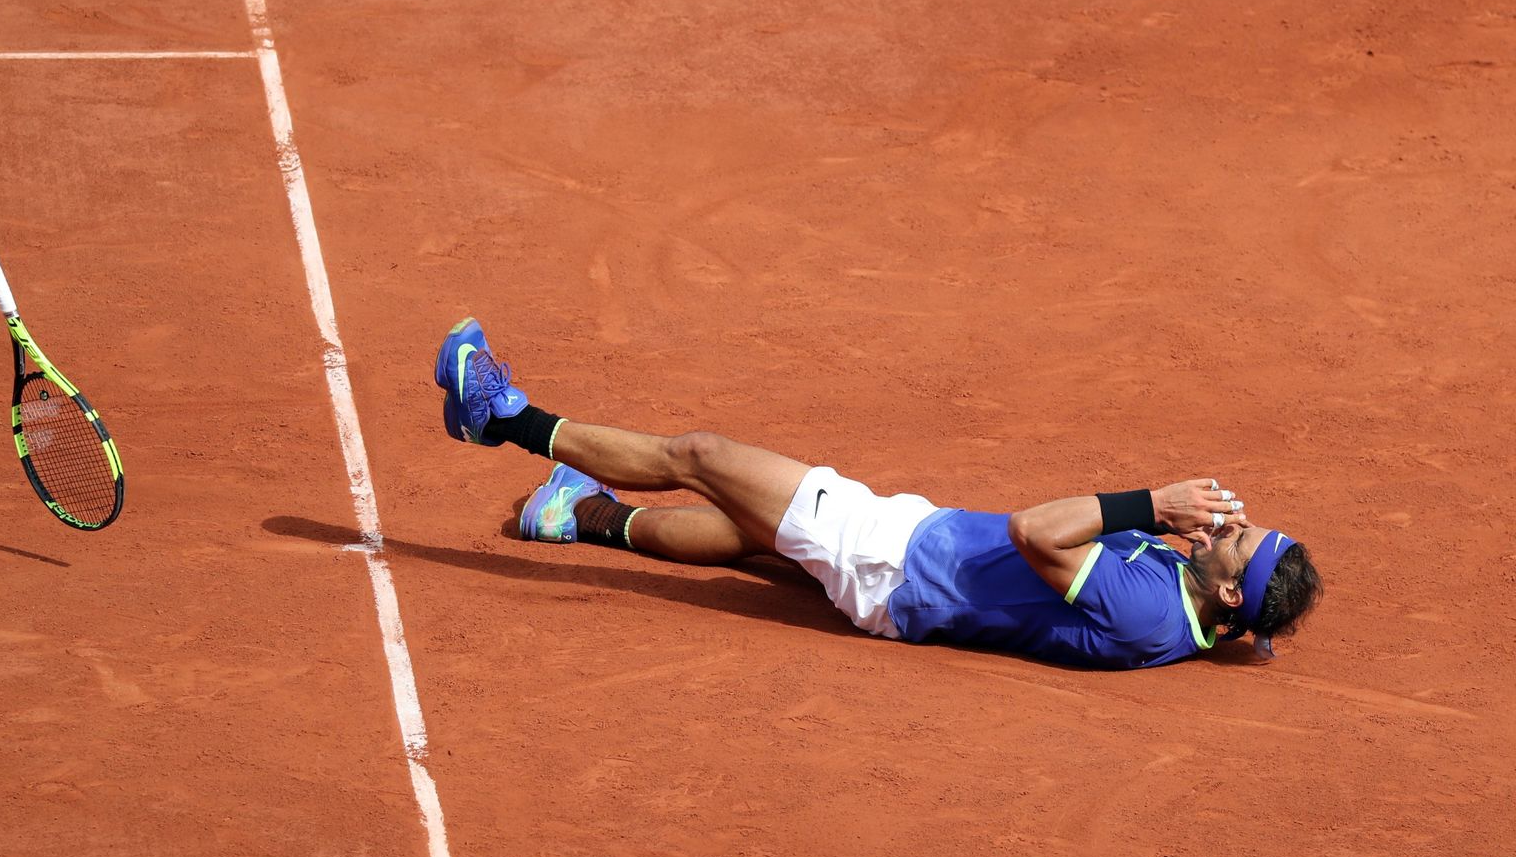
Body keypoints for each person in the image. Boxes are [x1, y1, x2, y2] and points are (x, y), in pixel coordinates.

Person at [434, 318, 1323, 669]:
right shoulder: (1198, 614)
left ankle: (500, 416)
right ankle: (577, 515)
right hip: (904, 576)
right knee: (749, 539)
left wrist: (1152, 505)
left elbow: (1035, 531)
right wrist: (1245, 623)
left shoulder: (1145, 603)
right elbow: (1241, 633)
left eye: (1238, 543)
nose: (1223, 528)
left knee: (700, 455)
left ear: (1234, 589)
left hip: (890, 557)